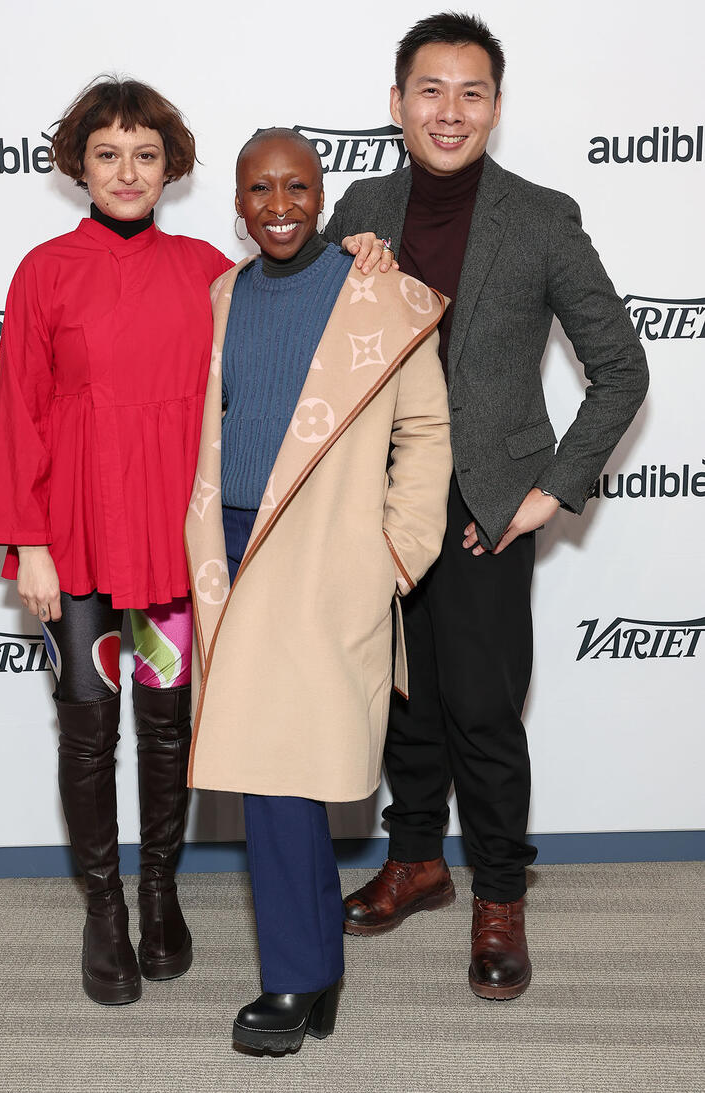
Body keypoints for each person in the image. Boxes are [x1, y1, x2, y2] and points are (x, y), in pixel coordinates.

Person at [324, 13, 649, 1000]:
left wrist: (548, 491)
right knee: (398, 700)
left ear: (495, 108)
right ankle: (417, 857)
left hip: (484, 508)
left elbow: (619, 368)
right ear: (395, 104)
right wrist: (339, 285)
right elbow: (320, 360)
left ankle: (500, 892)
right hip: (379, 504)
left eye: (471, 92)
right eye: (430, 89)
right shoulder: (358, 206)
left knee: (481, 707)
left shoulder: (542, 216)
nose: (449, 110)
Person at [184, 128, 452, 1053]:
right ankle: (309, 975)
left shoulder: (378, 294)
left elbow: (425, 430)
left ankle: (296, 978)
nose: (281, 206)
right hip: (232, 547)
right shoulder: (221, 295)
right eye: (260, 190)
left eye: (297, 187)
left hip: (327, 550)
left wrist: (394, 553)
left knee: (281, 769)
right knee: (271, 772)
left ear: (322, 191)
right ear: (238, 201)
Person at [0, 77, 235, 1005]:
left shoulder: (210, 268)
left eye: (145, 154)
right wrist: (30, 544)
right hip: (79, 540)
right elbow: (20, 415)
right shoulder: (44, 271)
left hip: (172, 542)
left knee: (167, 730)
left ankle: (161, 891)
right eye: (107, 154)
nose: (127, 172)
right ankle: (104, 909)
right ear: (78, 165)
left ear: (170, 166)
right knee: (88, 728)